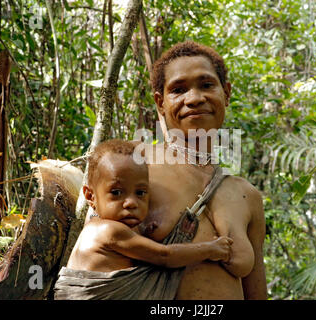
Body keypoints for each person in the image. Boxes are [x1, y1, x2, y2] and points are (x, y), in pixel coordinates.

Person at [86, 41, 268, 300]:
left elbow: (256, 294)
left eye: (206, 85)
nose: (194, 99)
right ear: (161, 103)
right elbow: (93, 267)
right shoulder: (133, 163)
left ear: (226, 93)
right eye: (179, 90)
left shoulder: (247, 195)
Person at [54, 139, 233, 300]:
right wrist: (211, 249)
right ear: (90, 196)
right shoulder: (107, 230)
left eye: (140, 193)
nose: (131, 203)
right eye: (116, 193)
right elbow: (165, 255)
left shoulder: (116, 230)